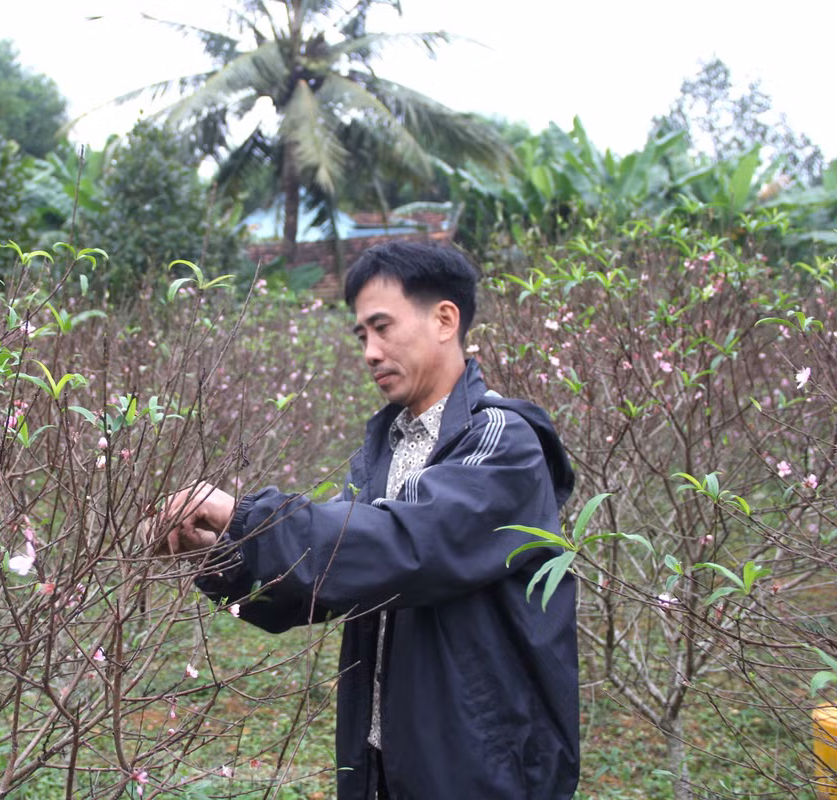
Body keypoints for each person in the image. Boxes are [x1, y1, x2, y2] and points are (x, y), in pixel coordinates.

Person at [161, 241, 579, 799]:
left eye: (383, 328)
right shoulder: (384, 449)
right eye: (362, 336)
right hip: (384, 755)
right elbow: (333, 578)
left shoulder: (503, 442)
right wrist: (220, 554)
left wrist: (246, 516)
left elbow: (408, 544)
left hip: (481, 764)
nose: (371, 352)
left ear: (444, 319)